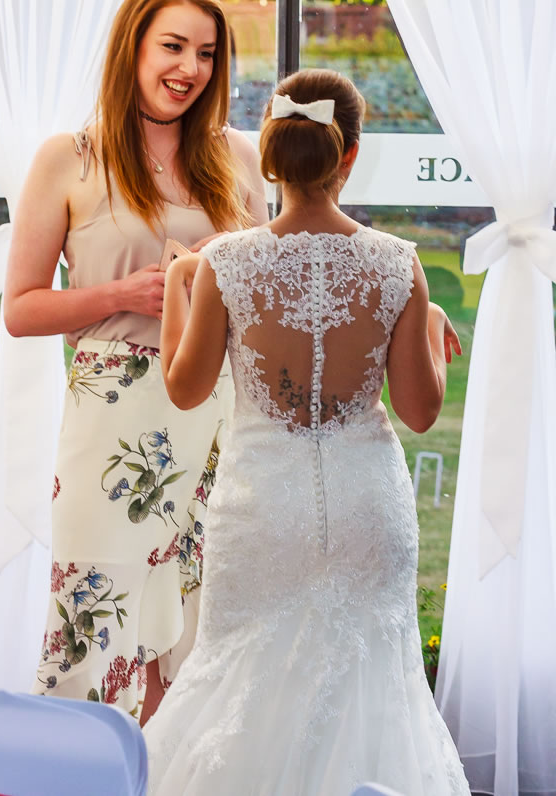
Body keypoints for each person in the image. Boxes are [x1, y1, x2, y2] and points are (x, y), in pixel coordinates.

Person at [143, 68, 470, 794]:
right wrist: (429, 325)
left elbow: (185, 389)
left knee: (240, 680)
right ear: (349, 153)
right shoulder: (398, 264)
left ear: (271, 154)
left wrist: (175, 285)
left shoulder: (226, 264)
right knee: (371, 688)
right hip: (366, 508)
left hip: (261, 509)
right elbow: (420, 412)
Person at [3, 0, 268, 723]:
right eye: (173, 46)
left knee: (204, 620)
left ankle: (179, 769)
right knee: (93, 620)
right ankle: (85, 767)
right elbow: (20, 309)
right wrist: (122, 294)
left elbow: (268, 292)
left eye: (207, 53)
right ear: (134, 48)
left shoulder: (237, 158)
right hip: (110, 424)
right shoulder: (69, 158)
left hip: (214, 416)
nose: (191, 69)